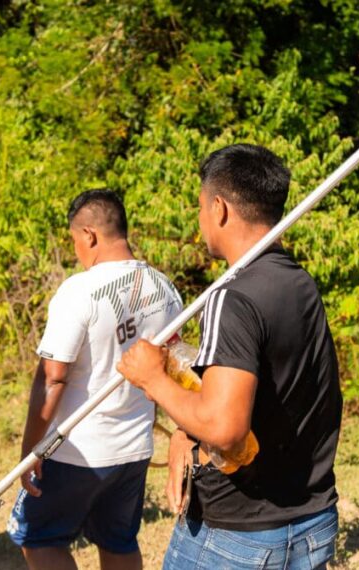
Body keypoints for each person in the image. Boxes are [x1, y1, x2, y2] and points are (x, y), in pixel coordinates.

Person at [117, 144, 343, 569]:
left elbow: (224, 429)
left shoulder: (231, 296)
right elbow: (274, 395)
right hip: (309, 522)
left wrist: (154, 379)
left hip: (239, 539)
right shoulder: (298, 282)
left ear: (219, 208)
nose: (200, 220)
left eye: (201, 207)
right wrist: (187, 432)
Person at [6, 190, 183, 570]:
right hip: (134, 447)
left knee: (38, 539)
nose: (77, 252)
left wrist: (30, 451)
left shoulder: (79, 290)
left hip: (76, 450)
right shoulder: (164, 286)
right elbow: (175, 362)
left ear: (88, 235)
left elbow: (53, 379)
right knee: (118, 541)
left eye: (74, 241)